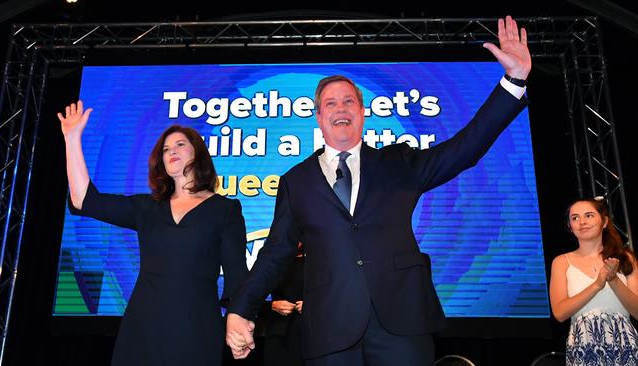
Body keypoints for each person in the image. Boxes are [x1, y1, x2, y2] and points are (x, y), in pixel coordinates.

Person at [226, 15, 532, 366]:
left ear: (362, 112)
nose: (340, 108)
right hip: (330, 328)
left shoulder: (397, 161)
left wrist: (514, 80)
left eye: (348, 101)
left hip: (402, 323)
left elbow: (465, 148)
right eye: (331, 103)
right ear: (318, 116)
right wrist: (240, 307)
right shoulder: (296, 180)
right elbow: (276, 252)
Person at [57, 102, 248, 366]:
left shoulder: (225, 209)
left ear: (198, 153)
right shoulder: (147, 208)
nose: (171, 151)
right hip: (143, 328)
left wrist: (238, 319)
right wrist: (72, 138)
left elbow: (237, 273)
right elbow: (84, 200)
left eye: (180, 144)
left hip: (197, 329)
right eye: (166, 149)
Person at [549, 198, 638, 365]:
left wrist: (613, 280)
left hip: (625, 347)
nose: (582, 222)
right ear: (570, 226)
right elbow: (560, 313)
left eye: (589, 215)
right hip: (583, 348)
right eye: (575, 218)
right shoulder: (561, 262)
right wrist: (597, 285)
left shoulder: (626, 258)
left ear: (604, 221)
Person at [257, 242, 305, 366]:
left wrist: (314, 304)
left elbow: (336, 296)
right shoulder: (272, 262)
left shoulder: (319, 260)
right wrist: (273, 305)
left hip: (312, 334)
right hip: (279, 333)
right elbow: (252, 301)